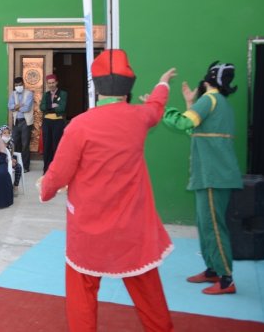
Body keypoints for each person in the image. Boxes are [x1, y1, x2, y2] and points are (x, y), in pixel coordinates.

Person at [39, 49, 176, 332]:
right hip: (133, 226)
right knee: (147, 287)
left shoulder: (79, 126)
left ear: (96, 86)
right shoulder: (139, 118)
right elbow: (155, 109)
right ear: (128, 89)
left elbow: (59, 173)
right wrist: (162, 85)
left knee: (81, 290)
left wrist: (45, 190)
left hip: (88, 228)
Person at [162, 61, 243, 295]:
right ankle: (213, 270)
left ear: (207, 80)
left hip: (213, 175)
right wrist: (189, 103)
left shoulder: (210, 99)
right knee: (207, 225)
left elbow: (185, 122)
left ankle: (226, 279)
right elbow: (194, 130)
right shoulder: (220, 103)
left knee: (214, 227)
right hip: (211, 174)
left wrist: (161, 107)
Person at [41, 74, 67, 172]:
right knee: (47, 145)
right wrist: (52, 106)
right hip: (47, 122)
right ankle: (46, 168)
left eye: (53, 83)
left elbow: (62, 108)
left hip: (58, 122)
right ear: (47, 84)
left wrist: (48, 107)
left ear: (56, 82)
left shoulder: (63, 93)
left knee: (57, 145)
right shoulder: (46, 94)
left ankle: (57, 169)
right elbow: (41, 107)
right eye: (49, 83)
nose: (51, 85)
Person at [8, 77, 34, 172]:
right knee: (15, 144)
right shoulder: (13, 94)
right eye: (16, 85)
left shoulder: (29, 93)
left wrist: (15, 107)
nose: (18, 86)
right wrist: (19, 105)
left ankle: (25, 167)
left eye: (20, 85)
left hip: (26, 122)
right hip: (16, 122)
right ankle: (16, 165)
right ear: (14, 86)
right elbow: (9, 106)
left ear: (23, 84)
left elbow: (27, 108)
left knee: (25, 145)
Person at [0, 125, 22, 195]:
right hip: (0, 163)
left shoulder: (11, 143)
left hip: (9, 162)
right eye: (4, 133)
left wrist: (12, 160)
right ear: (0, 134)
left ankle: (15, 187)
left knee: (18, 167)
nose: (6, 134)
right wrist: (8, 162)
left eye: (8, 133)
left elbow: (11, 155)